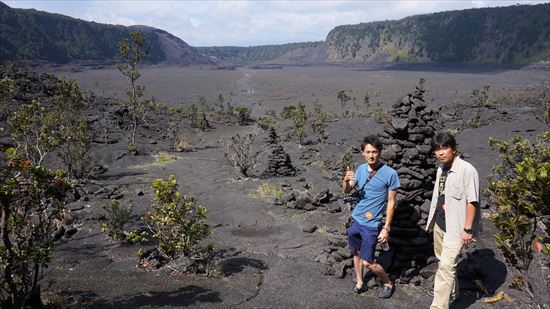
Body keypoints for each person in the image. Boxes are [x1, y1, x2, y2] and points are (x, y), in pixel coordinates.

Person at [426, 132, 481, 309]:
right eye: (437, 149)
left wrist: (467, 229)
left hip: (456, 227)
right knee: (444, 262)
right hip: (440, 224)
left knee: (445, 267)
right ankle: (453, 293)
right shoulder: (441, 169)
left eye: (444, 148)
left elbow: (472, 201)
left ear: (454, 149)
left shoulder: (467, 170)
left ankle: (438, 306)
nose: (440, 153)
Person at [342, 135, 400, 298]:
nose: (371, 155)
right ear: (363, 153)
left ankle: (388, 282)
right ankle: (360, 284)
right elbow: (347, 190)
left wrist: (386, 227)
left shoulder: (390, 173)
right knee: (356, 253)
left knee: (368, 261)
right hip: (356, 219)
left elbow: (391, 203)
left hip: (372, 224)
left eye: (374, 151)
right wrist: (346, 181)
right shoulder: (360, 169)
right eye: (368, 152)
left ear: (380, 152)